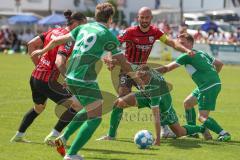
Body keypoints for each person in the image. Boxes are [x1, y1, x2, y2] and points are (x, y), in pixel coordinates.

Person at [32, 3, 141, 160]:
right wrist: (138, 79)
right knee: (95, 119)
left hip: (71, 77)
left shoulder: (84, 28)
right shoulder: (107, 35)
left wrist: (42, 50)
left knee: (88, 108)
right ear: (111, 18)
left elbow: (56, 41)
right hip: (84, 80)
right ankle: (71, 154)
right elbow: (123, 62)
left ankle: (62, 138)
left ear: (96, 16)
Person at [98, 6, 195, 141]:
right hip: (126, 71)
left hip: (143, 73)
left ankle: (165, 128)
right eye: (142, 17)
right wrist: (109, 58)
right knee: (120, 100)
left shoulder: (155, 32)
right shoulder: (130, 31)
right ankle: (111, 135)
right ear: (138, 18)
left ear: (151, 18)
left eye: (147, 17)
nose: (144, 20)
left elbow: (171, 42)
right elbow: (114, 44)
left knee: (154, 99)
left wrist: (185, 50)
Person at [10, 10, 87, 145]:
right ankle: (52, 137)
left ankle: (18, 136)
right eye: (84, 25)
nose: (85, 29)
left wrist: (39, 65)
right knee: (78, 104)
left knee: (38, 108)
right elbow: (59, 62)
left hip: (35, 77)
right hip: (47, 81)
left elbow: (31, 45)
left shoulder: (53, 32)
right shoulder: (68, 38)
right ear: (76, 23)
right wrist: (68, 80)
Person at [156, 33, 231, 141]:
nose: (179, 45)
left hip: (208, 86)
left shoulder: (187, 55)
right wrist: (213, 77)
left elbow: (166, 68)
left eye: (182, 43)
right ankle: (193, 131)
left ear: (191, 43)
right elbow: (219, 64)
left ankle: (224, 133)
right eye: (178, 43)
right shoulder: (202, 53)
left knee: (202, 117)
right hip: (209, 84)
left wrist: (149, 71)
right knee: (188, 103)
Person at [110, 65, 207, 145]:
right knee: (120, 102)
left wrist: (157, 140)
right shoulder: (143, 71)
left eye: (141, 80)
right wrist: (114, 63)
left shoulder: (155, 88)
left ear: (147, 77)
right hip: (145, 96)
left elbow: (156, 117)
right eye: (138, 79)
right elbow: (126, 65)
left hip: (164, 105)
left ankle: (202, 129)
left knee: (179, 132)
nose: (140, 83)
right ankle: (111, 135)